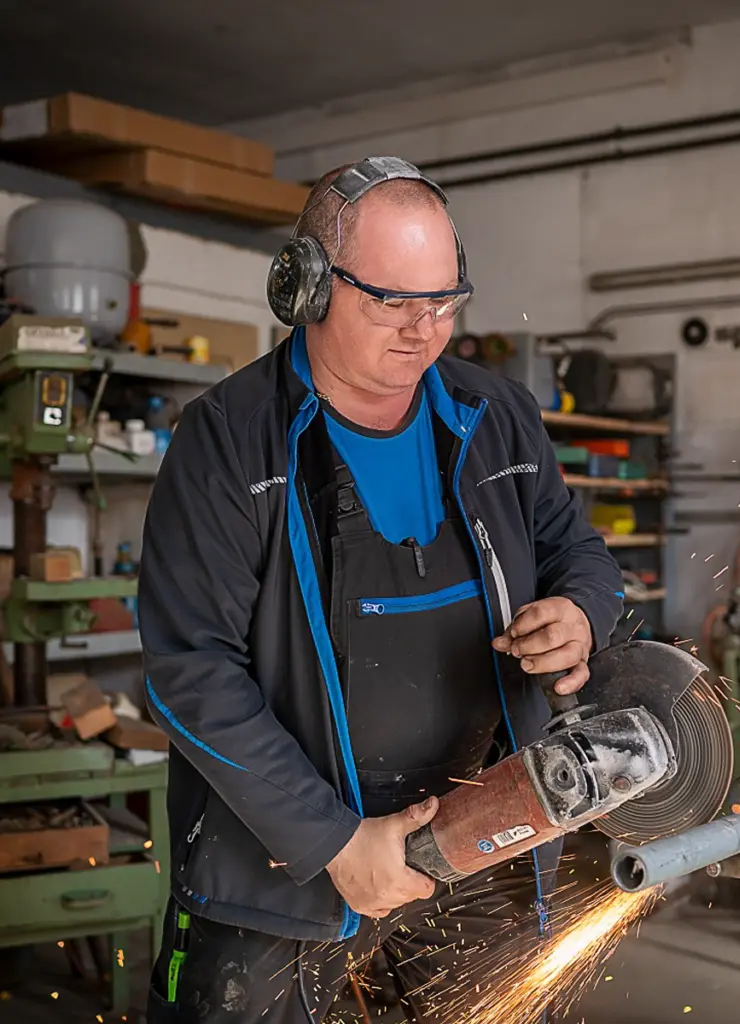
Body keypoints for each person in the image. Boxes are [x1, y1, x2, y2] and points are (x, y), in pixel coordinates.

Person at [139, 156, 624, 1023]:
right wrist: (333, 840)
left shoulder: (495, 414)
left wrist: (582, 611)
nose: (424, 329)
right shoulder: (227, 441)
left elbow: (575, 549)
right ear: (310, 287)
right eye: (391, 302)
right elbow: (190, 670)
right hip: (282, 874)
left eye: (444, 300)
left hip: (483, 839)